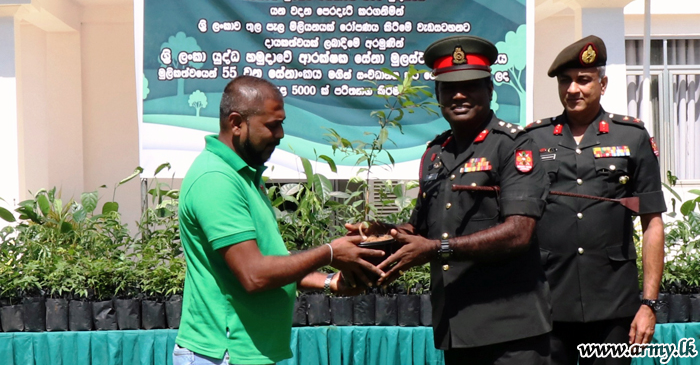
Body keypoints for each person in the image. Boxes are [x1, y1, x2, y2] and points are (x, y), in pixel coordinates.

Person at [359, 35, 552, 365]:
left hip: (511, 332)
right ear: (438, 95)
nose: (459, 95)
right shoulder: (435, 153)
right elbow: (420, 230)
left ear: (489, 89)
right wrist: (381, 235)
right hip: (456, 326)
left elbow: (519, 232)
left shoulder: (513, 145)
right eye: (449, 87)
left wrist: (438, 249)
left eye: (470, 85)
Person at [174, 75, 384, 365]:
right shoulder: (216, 179)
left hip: (244, 353)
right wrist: (330, 253)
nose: (281, 134)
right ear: (236, 123)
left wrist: (329, 281)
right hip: (222, 353)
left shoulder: (244, 176)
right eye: (272, 125)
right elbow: (254, 275)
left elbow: (272, 261)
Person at [526, 35, 666, 365]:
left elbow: (652, 223)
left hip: (613, 307)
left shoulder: (631, 136)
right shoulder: (533, 139)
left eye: (583, 79)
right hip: (548, 304)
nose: (573, 89)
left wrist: (648, 305)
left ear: (602, 84)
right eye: (565, 80)